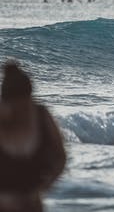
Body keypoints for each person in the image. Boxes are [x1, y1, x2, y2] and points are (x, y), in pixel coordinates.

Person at [0, 61, 66, 211]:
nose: (24, 108)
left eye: (28, 102)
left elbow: (60, 156)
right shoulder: (37, 114)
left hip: (31, 205)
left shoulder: (41, 115)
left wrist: (44, 186)